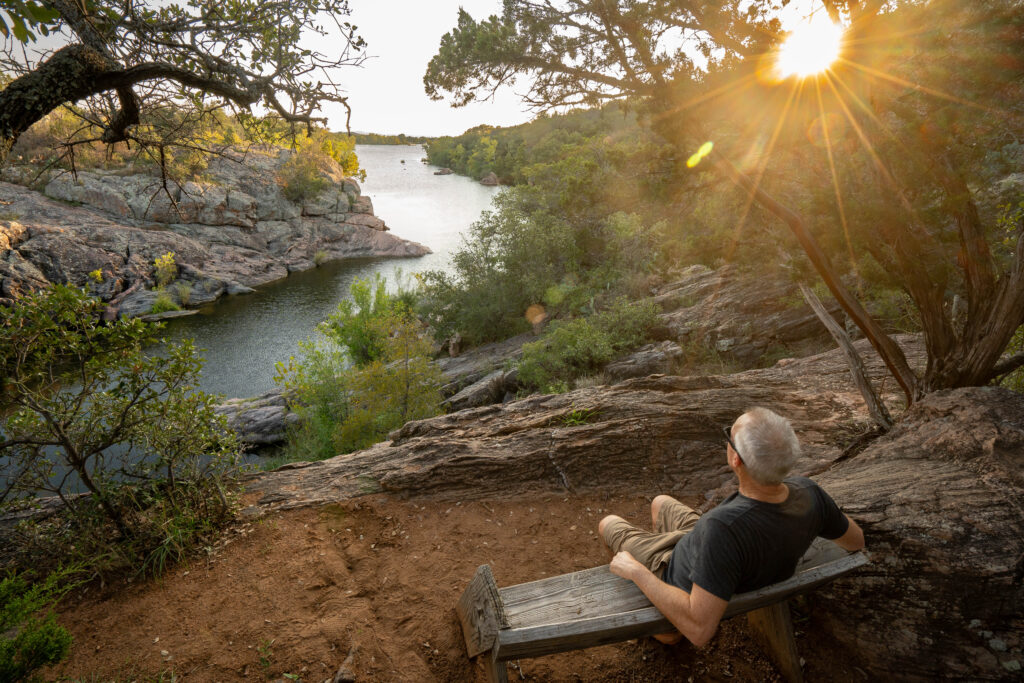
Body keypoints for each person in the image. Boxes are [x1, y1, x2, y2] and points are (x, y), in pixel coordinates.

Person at [598, 407, 865, 647]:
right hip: (707, 550)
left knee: (608, 524)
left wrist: (637, 572)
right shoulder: (811, 492)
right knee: (661, 502)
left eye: (729, 436)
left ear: (736, 459)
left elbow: (700, 631)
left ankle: (666, 626)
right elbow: (856, 542)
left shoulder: (723, 528)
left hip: (688, 568)